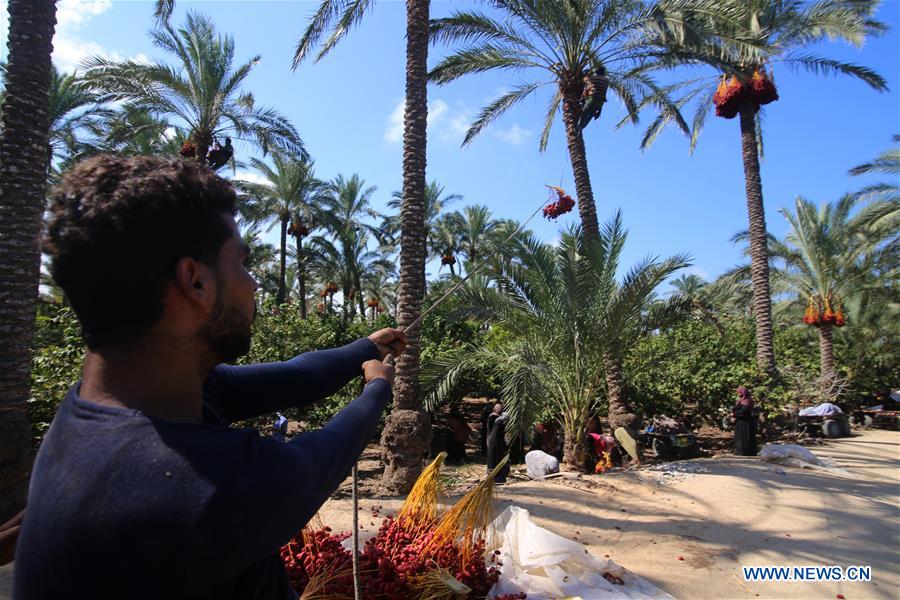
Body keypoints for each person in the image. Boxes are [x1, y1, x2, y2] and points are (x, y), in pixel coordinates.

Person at [13, 155, 408, 599]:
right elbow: (317, 461)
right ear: (195, 281)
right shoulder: (195, 484)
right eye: (241, 264)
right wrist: (377, 388)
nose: (254, 284)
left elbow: (297, 377)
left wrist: (367, 347)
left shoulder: (112, 407)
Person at [485, 402, 510, 483]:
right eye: (498, 408)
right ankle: (494, 477)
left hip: (497, 441)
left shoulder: (499, 418)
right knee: (494, 458)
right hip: (494, 441)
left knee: (498, 458)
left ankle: (498, 477)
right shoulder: (493, 417)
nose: (500, 409)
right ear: (494, 409)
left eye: (500, 408)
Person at [732, 386, 758, 456]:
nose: (738, 394)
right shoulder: (741, 400)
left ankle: (746, 452)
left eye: (739, 392)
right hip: (740, 422)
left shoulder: (747, 400)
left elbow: (744, 411)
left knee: (745, 438)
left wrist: (734, 414)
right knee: (740, 438)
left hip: (745, 422)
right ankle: (740, 451)